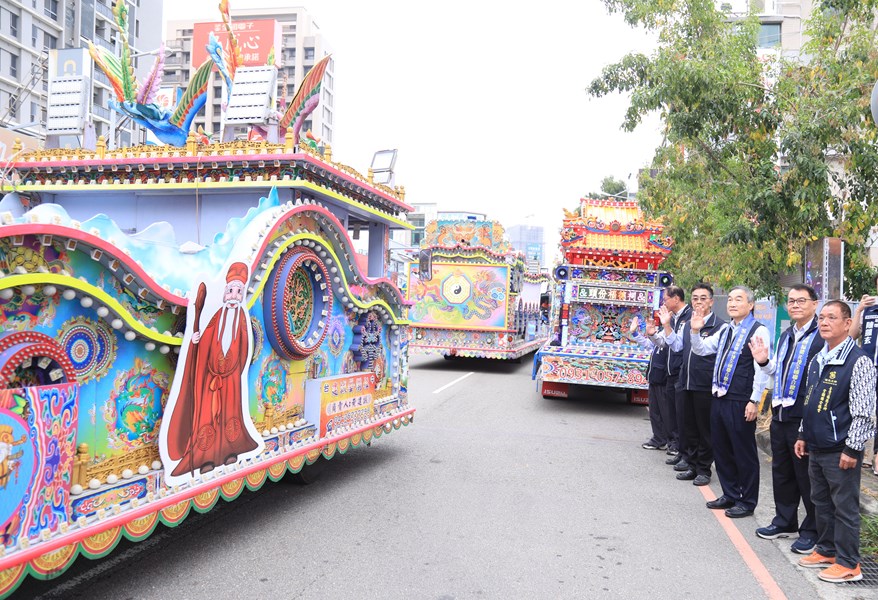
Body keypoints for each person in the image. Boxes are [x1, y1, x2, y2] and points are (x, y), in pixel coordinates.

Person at [794, 300, 876, 583]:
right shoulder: (820, 357)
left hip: (840, 449)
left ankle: (849, 563)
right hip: (816, 446)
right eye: (822, 318)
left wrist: (853, 448)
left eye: (832, 317)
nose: (824, 322)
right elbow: (810, 401)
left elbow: (864, 411)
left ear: (847, 323)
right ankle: (827, 550)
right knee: (821, 502)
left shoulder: (858, 361)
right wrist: (803, 433)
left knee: (844, 507)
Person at [166, 262, 260, 477]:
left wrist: (234, 372)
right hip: (211, 377)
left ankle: (229, 451)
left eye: (239, 292)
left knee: (230, 415)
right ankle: (206, 457)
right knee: (207, 416)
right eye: (231, 291)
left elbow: (245, 348)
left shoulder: (242, 321)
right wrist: (196, 340)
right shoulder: (216, 317)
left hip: (231, 380)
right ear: (225, 293)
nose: (234, 296)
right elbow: (206, 342)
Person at [749, 284, 823, 554]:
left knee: (806, 476)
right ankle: (784, 520)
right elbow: (776, 372)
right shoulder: (787, 335)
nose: (794, 305)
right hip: (780, 414)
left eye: (801, 301)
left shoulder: (820, 336)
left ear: (815, 304)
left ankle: (812, 530)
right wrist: (763, 361)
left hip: (803, 417)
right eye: (791, 301)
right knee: (782, 472)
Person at [690, 286, 770, 518]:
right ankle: (730, 493)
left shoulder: (758, 330)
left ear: (751, 305)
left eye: (739, 299)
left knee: (743, 452)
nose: (733, 303)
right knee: (722, 448)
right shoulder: (725, 330)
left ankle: (747, 501)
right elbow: (702, 349)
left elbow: (761, 369)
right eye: (731, 300)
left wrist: (754, 400)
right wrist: (695, 332)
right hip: (719, 396)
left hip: (741, 399)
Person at [664, 283, 725, 485]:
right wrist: (666, 325)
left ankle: (704, 469)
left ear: (711, 301)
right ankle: (690, 464)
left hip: (704, 384)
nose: (699, 302)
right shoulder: (688, 323)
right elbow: (677, 345)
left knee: (704, 430)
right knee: (687, 427)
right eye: (695, 298)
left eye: (703, 298)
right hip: (685, 381)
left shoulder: (720, 326)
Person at [650, 286, 691, 464]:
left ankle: (684, 450)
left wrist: (666, 325)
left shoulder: (689, 317)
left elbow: (678, 346)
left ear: (676, 299)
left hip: (681, 372)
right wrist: (652, 334)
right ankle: (678, 448)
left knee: (682, 414)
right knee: (672, 413)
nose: (664, 303)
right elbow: (665, 342)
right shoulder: (673, 318)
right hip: (669, 373)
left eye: (666, 299)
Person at [847, 281, 878, 476]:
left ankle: (875, 456)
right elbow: (851, 335)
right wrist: (858, 310)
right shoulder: (869, 308)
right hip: (867, 368)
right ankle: (863, 451)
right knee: (862, 409)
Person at [629, 314, 669, 450]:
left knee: (666, 412)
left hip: (663, 378)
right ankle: (658, 438)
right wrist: (634, 332)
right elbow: (649, 344)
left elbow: (660, 342)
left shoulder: (671, 334)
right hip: (654, 377)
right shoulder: (662, 334)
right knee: (654, 411)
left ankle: (672, 442)